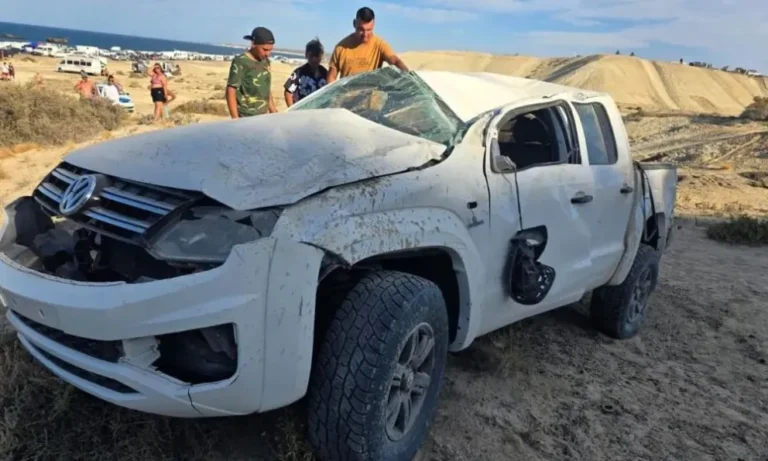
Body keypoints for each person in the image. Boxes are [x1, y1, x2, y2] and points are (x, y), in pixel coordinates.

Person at [327, 6, 408, 83]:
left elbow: (395, 61)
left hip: (372, 97)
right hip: (347, 97)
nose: (365, 34)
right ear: (354, 23)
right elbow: (331, 77)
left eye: (369, 30)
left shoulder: (379, 44)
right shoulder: (341, 48)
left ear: (374, 25)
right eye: (361, 29)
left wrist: (409, 77)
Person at [226, 26, 277, 118]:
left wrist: (274, 113)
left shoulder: (266, 62)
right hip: (245, 116)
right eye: (265, 49)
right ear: (253, 44)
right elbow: (231, 90)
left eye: (270, 50)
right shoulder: (241, 61)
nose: (268, 54)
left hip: (263, 116)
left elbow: (266, 90)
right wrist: (235, 119)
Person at [283, 38, 328, 107]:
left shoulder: (325, 73)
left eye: (317, 56)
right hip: (302, 112)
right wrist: (292, 110)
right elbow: (288, 92)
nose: (314, 59)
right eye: (311, 56)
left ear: (321, 56)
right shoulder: (299, 73)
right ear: (306, 55)